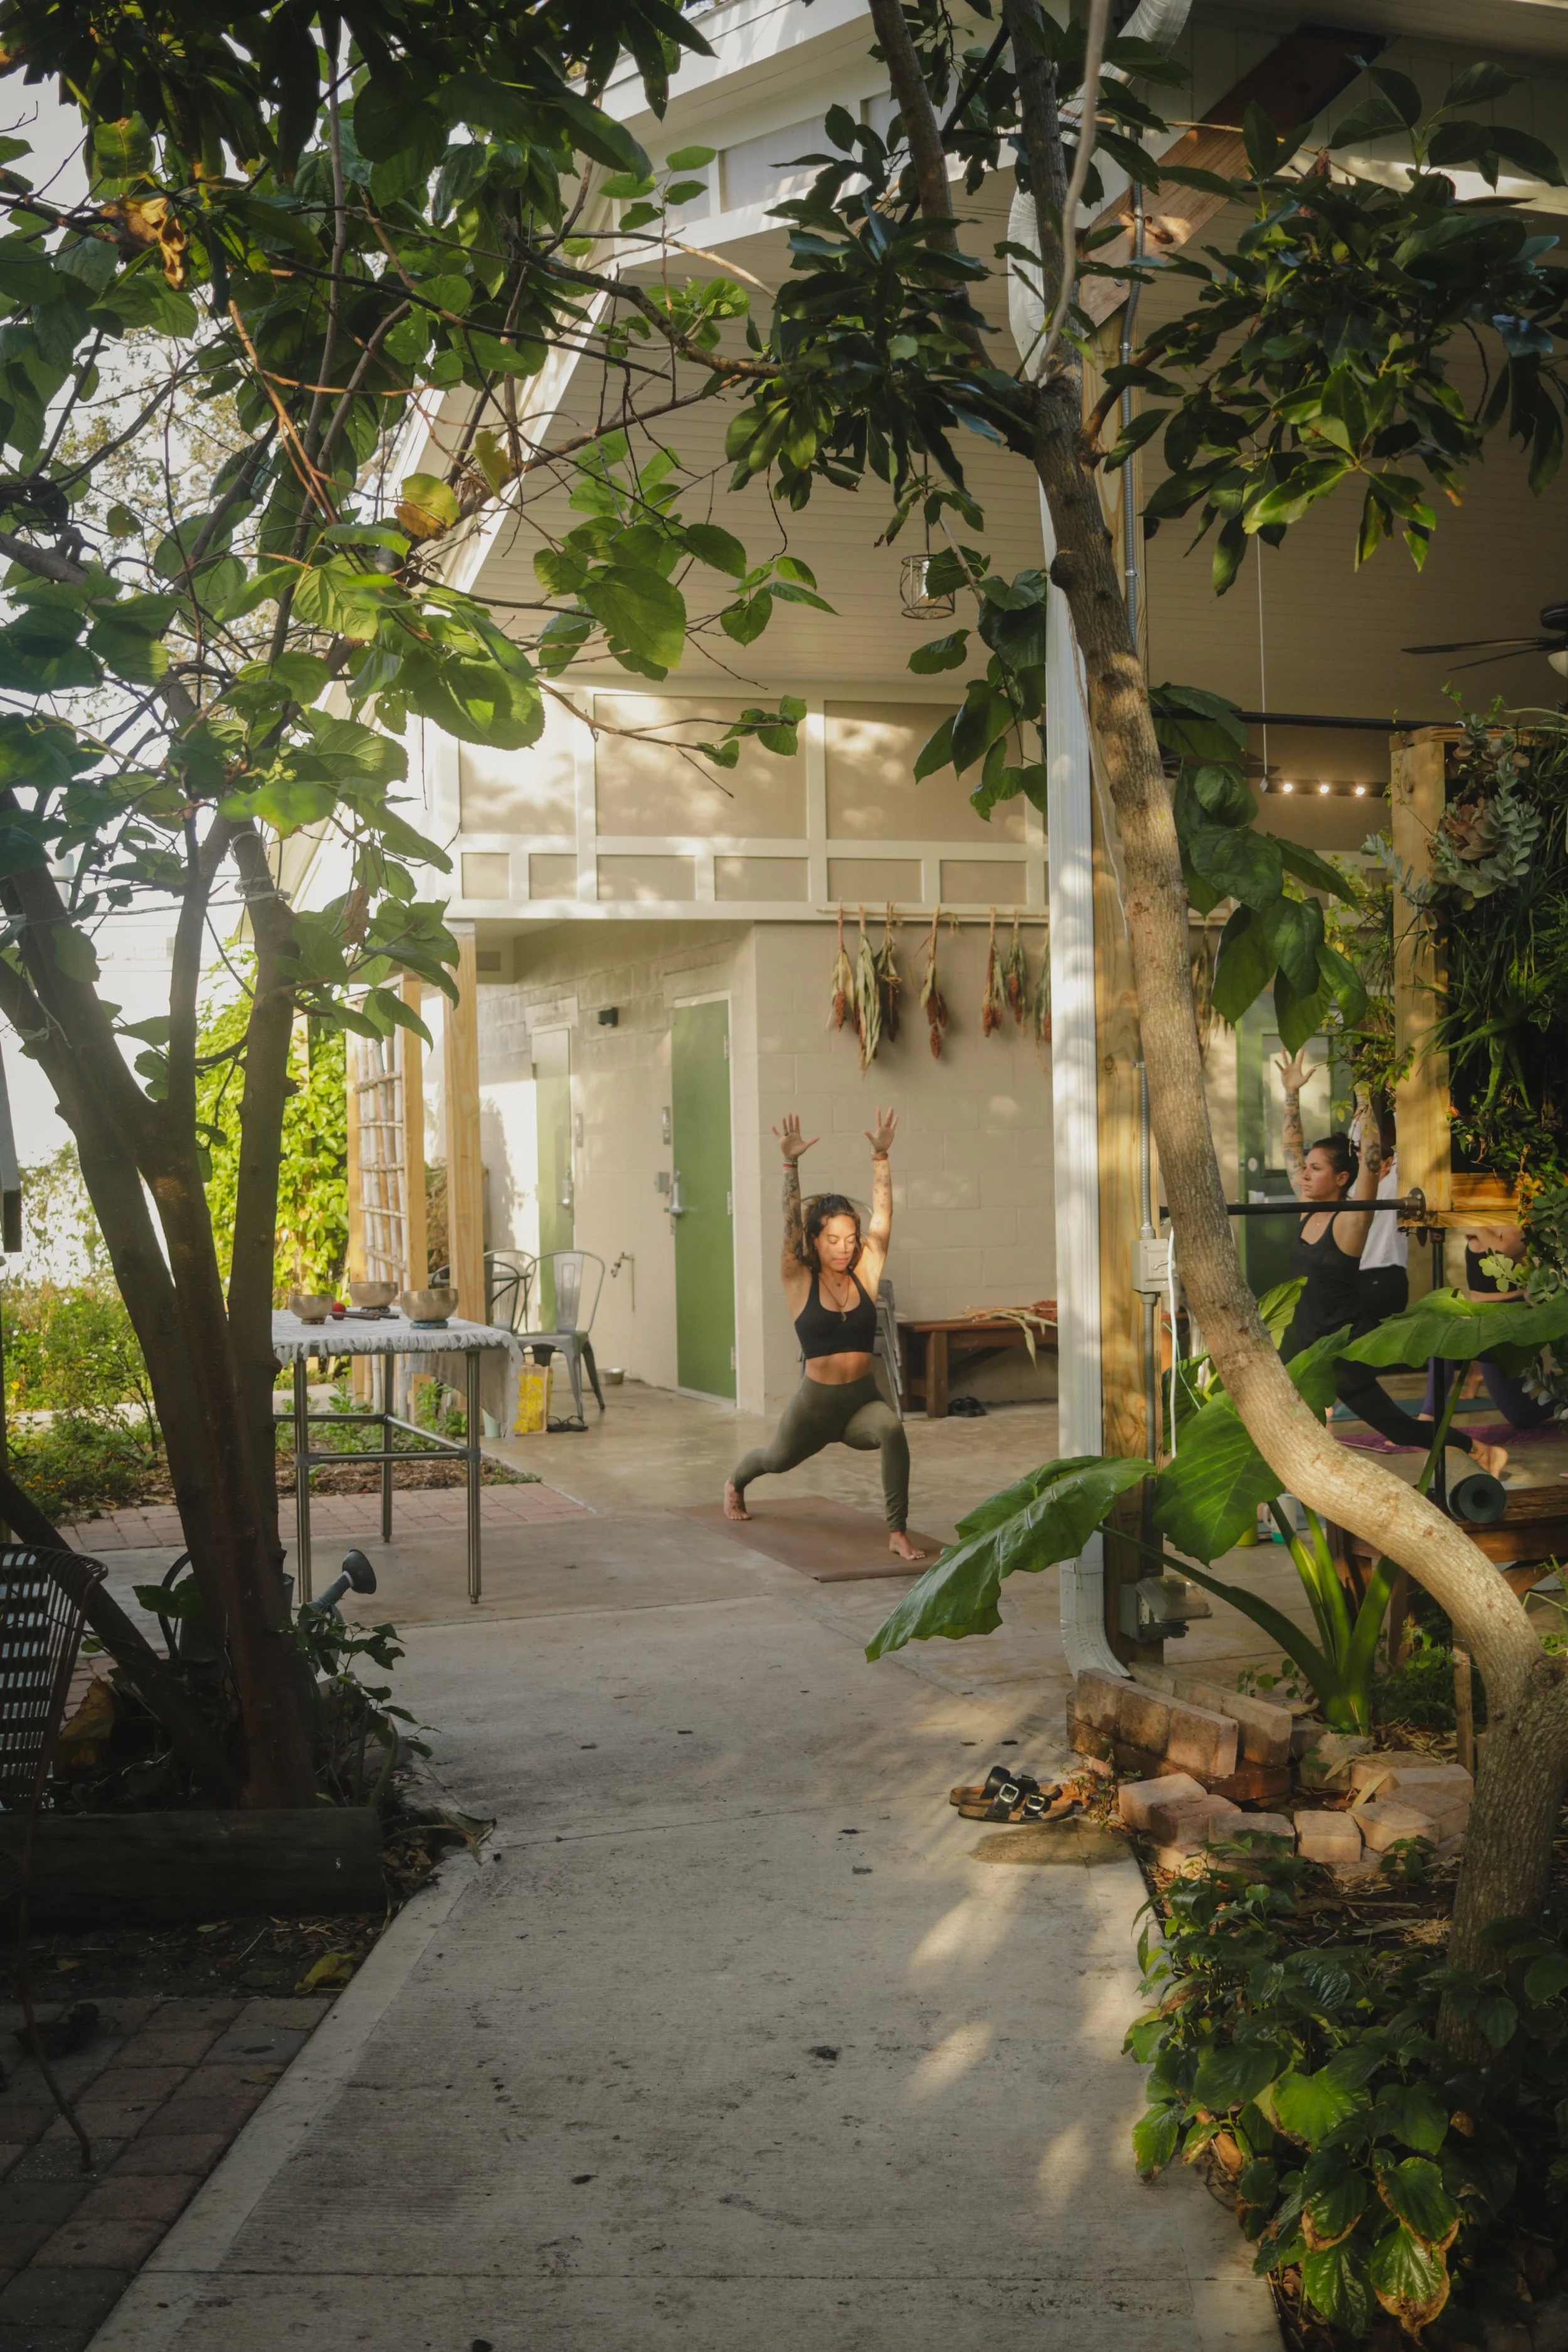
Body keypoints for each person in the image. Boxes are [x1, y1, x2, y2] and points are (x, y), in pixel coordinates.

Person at [1275, 1052, 1507, 1478]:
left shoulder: (1352, 1219)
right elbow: (1290, 1149)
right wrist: (1291, 1093)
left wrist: (1368, 1100)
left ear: (1342, 1179)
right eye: (1304, 1168)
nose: (1303, 1175)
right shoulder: (1307, 1208)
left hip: (1339, 1346)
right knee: (1276, 1418)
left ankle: (1477, 1447)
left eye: (1315, 1168)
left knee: (1399, 1430)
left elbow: (1369, 1159)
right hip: (1300, 1338)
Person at [725, 1106, 923, 1562]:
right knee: (775, 1460)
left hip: (861, 1401)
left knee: (892, 1429)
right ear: (815, 1240)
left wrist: (880, 1157)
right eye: (832, 1239)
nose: (844, 1247)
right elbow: (790, 1225)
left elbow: (884, 1222)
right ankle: (735, 1483)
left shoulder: (865, 1274)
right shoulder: (797, 1277)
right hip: (814, 1407)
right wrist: (790, 1166)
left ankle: (897, 1532)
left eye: (849, 1238)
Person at [1419, 1222, 1552, 1434]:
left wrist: (1479, 1228)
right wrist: (1481, 1229)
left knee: (1443, 1341)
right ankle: (1427, 1420)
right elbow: (1481, 1241)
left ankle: (1426, 1421)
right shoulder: (1483, 1221)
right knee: (1522, 1417)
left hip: (1512, 1317)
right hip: (1482, 1316)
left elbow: (1501, 1256)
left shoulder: (1522, 1223)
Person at [1357, 1102, 1407, 1324]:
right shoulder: (1354, 1188)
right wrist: (1362, 1106)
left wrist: (1398, 1107)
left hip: (1385, 1271)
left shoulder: (1391, 1185)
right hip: (1358, 1274)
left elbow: (1405, 1152)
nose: (1367, 1165)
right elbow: (1362, 1144)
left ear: (1388, 1163)